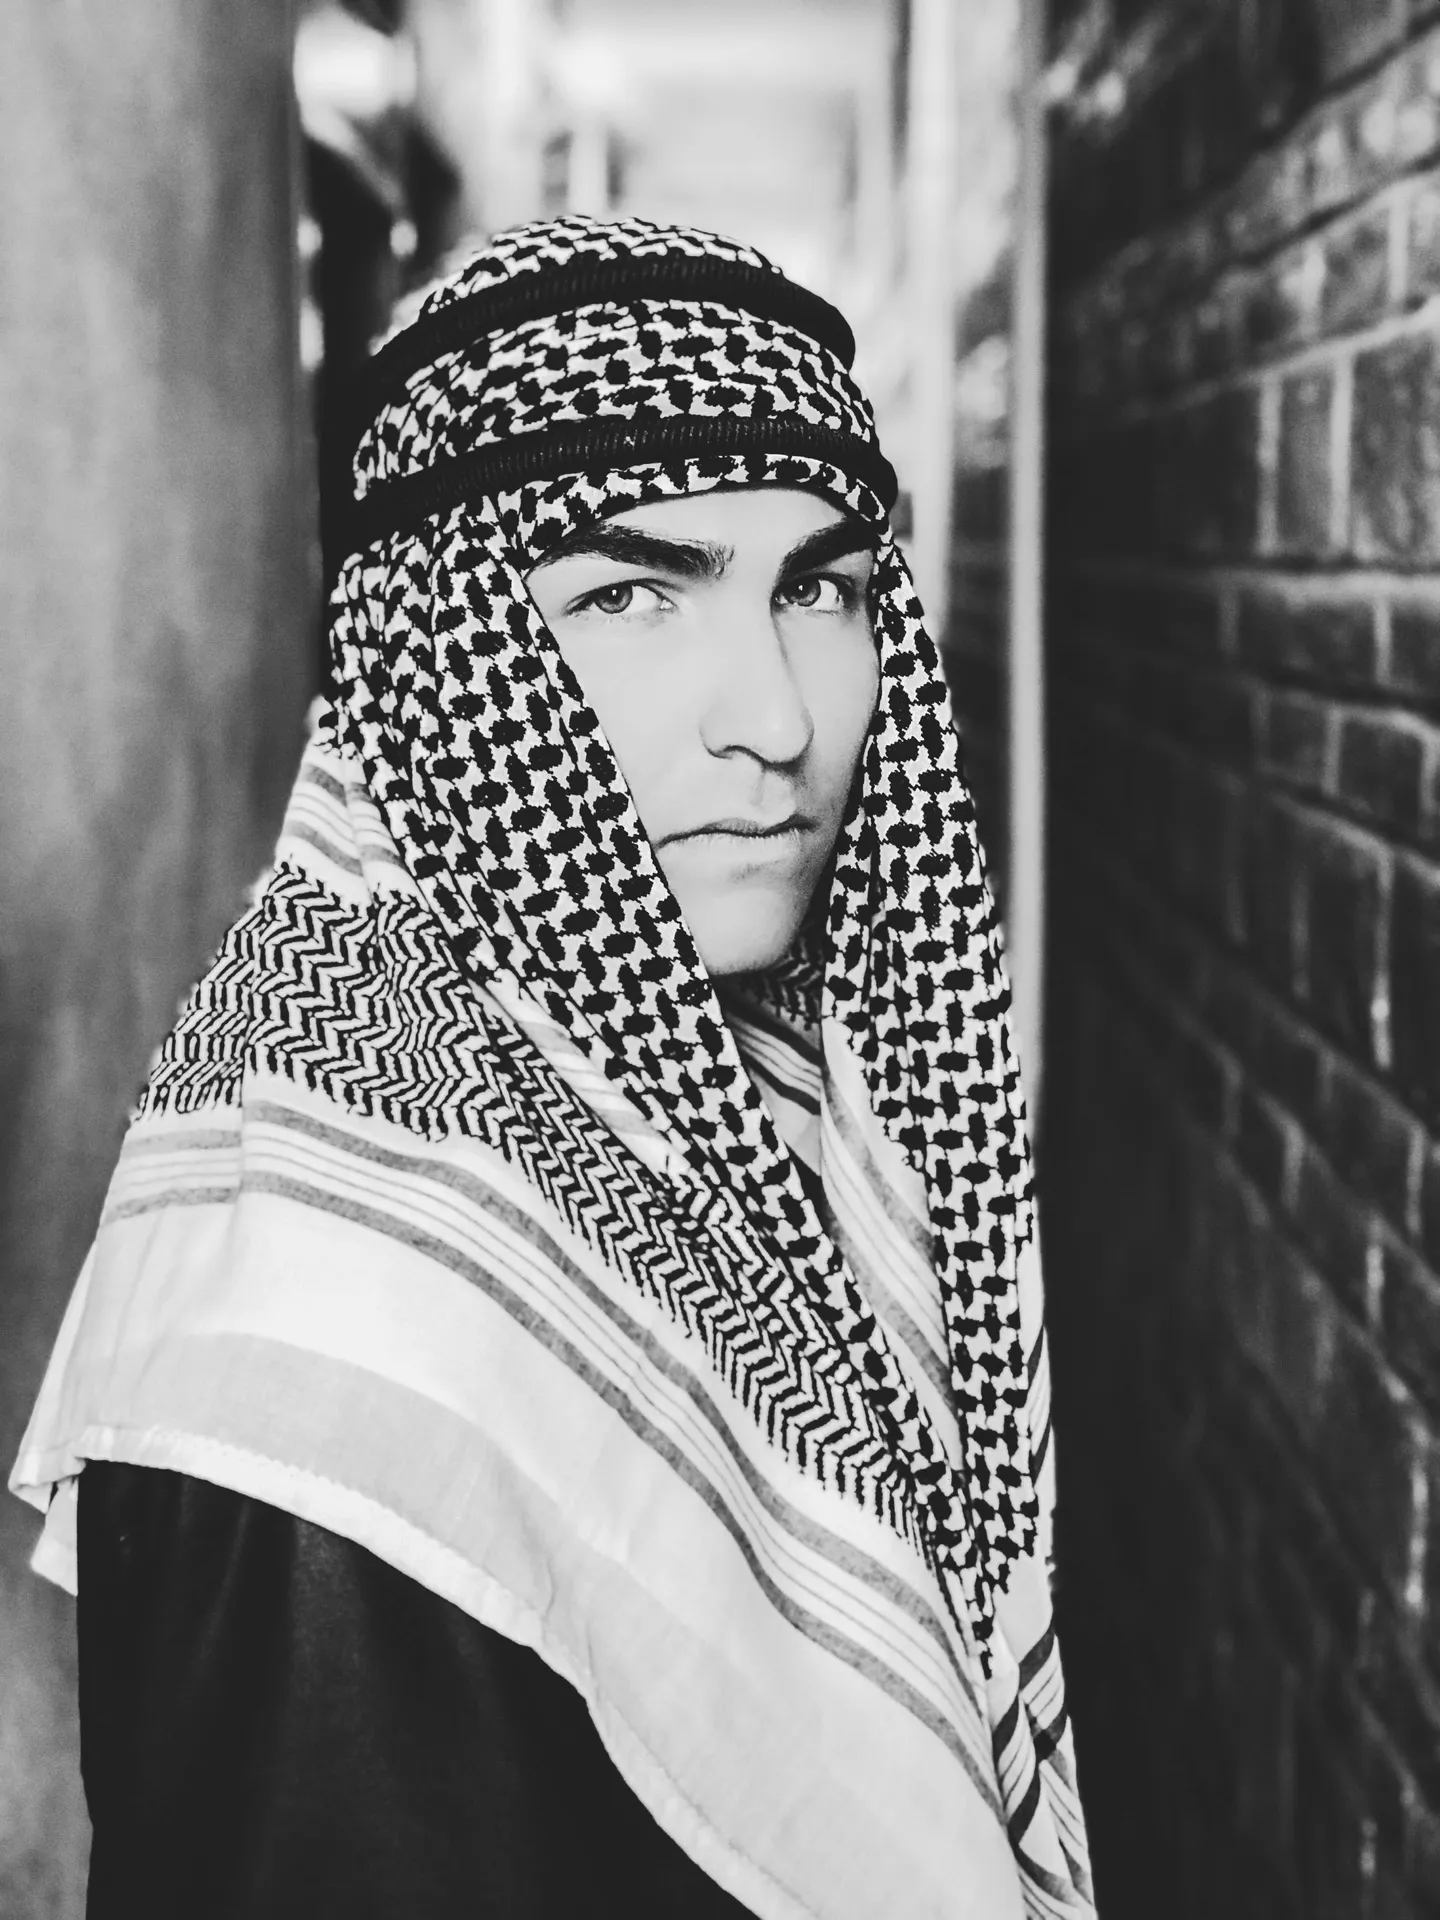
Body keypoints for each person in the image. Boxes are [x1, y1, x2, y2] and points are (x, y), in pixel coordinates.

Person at [13, 215, 1093, 1919]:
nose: (777, 721)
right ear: (443, 661)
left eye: (818, 588)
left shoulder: (750, 1095)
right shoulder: (340, 1319)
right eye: (630, 596)